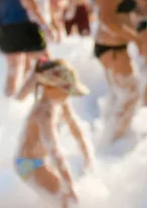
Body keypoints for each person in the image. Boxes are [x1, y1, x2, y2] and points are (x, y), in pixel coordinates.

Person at [13, 58, 92, 208]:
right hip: (28, 164)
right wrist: (69, 185)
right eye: (66, 90)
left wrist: (87, 153)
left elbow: (75, 127)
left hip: (40, 159)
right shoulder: (43, 113)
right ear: (50, 87)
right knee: (65, 201)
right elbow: (54, 151)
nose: (68, 95)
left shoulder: (60, 101)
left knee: (57, 198)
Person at [91, 0, 141, 144]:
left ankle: (110, 138)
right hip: (112, 48)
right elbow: (107, 21)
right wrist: (137, 39)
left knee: (120, 95)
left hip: (114, 47)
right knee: (130, 95)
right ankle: (115, 141)